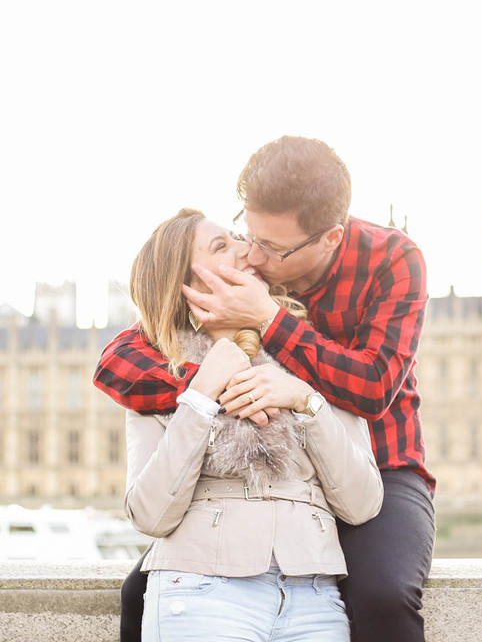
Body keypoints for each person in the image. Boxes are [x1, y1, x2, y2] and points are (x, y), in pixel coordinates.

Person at [95, 136, 436, 642]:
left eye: (271, 248)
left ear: (329, 239)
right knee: (137, 594)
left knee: (382, 596)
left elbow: (374, 387)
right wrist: (216, 386)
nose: (253, 254)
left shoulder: (389, 261)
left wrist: (269, 320)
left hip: (381, 461)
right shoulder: (237, 277)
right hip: (272, 488)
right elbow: (117, 360)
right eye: (245, 234)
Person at [123, 208, 383, 642]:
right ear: (183, 283)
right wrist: (200, 393)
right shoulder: (154, 373)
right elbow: (149, 514)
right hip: (202, 593)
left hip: (314, 601)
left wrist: (304, 399)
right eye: (221, 246)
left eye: (238, 237)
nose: (248, 250)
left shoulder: (313, 355)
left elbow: (362, 503)